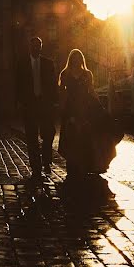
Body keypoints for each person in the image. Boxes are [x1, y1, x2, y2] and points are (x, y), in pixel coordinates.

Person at [16, 37, 58, 182]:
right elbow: (18, 84)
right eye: (33, 46)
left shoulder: (48, 63)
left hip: (45, 105)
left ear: (41, 47)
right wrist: (20, 102)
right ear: (30, 47)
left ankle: (46, 161)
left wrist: (54, 102)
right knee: (31, 138)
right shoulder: (22, 64)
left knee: (48, 134)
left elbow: (53, 84)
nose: (36, 48)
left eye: (38, 45)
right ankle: (36, 167)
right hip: (30, 105)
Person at [57, 49, 97, 179]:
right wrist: (62, 108)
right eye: (74, 58)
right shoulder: (65, 73)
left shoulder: (87, 74)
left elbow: (91, 91)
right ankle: (71, 165)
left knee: (84, 137)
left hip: (85, 108)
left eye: (79, 57)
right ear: (71, 59)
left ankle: (84, 164)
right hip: (70, 108)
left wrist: (98, 105)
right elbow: (62, 92)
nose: (76, 60)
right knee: (71, 137)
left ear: (81, 59)